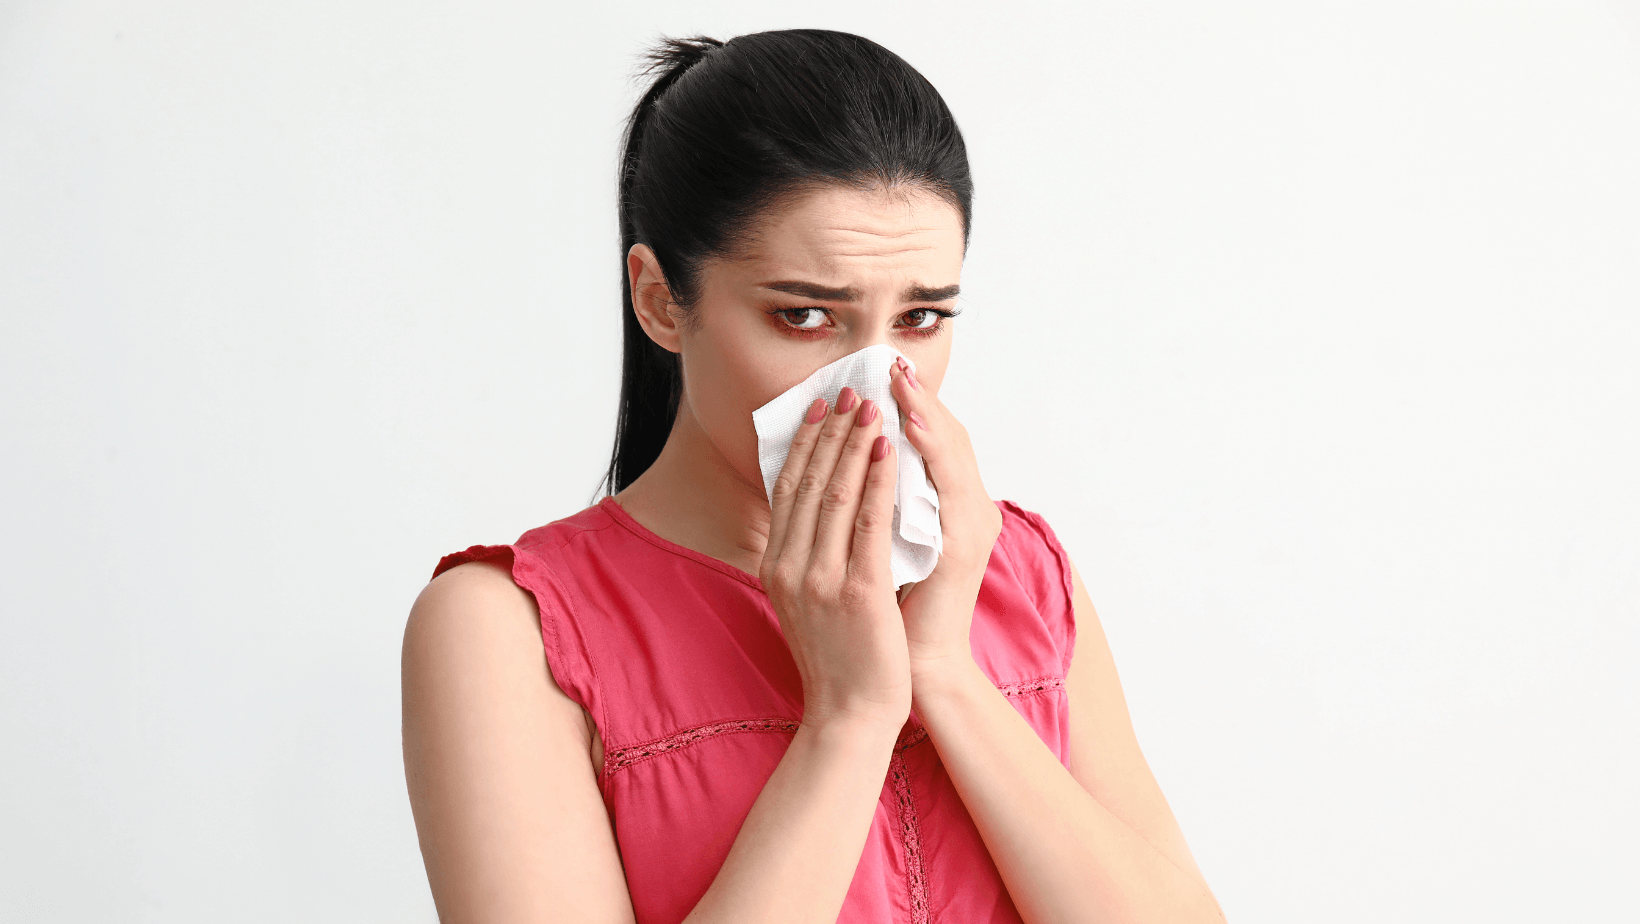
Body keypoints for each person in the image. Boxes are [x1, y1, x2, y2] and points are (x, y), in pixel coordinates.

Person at [401, 28, 1224, 924]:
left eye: (919, 319)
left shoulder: (1019, 572)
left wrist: (944, 671)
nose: (873, 384)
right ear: (658, 300)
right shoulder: (506, 629)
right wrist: (851, 719)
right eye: (803, 315)